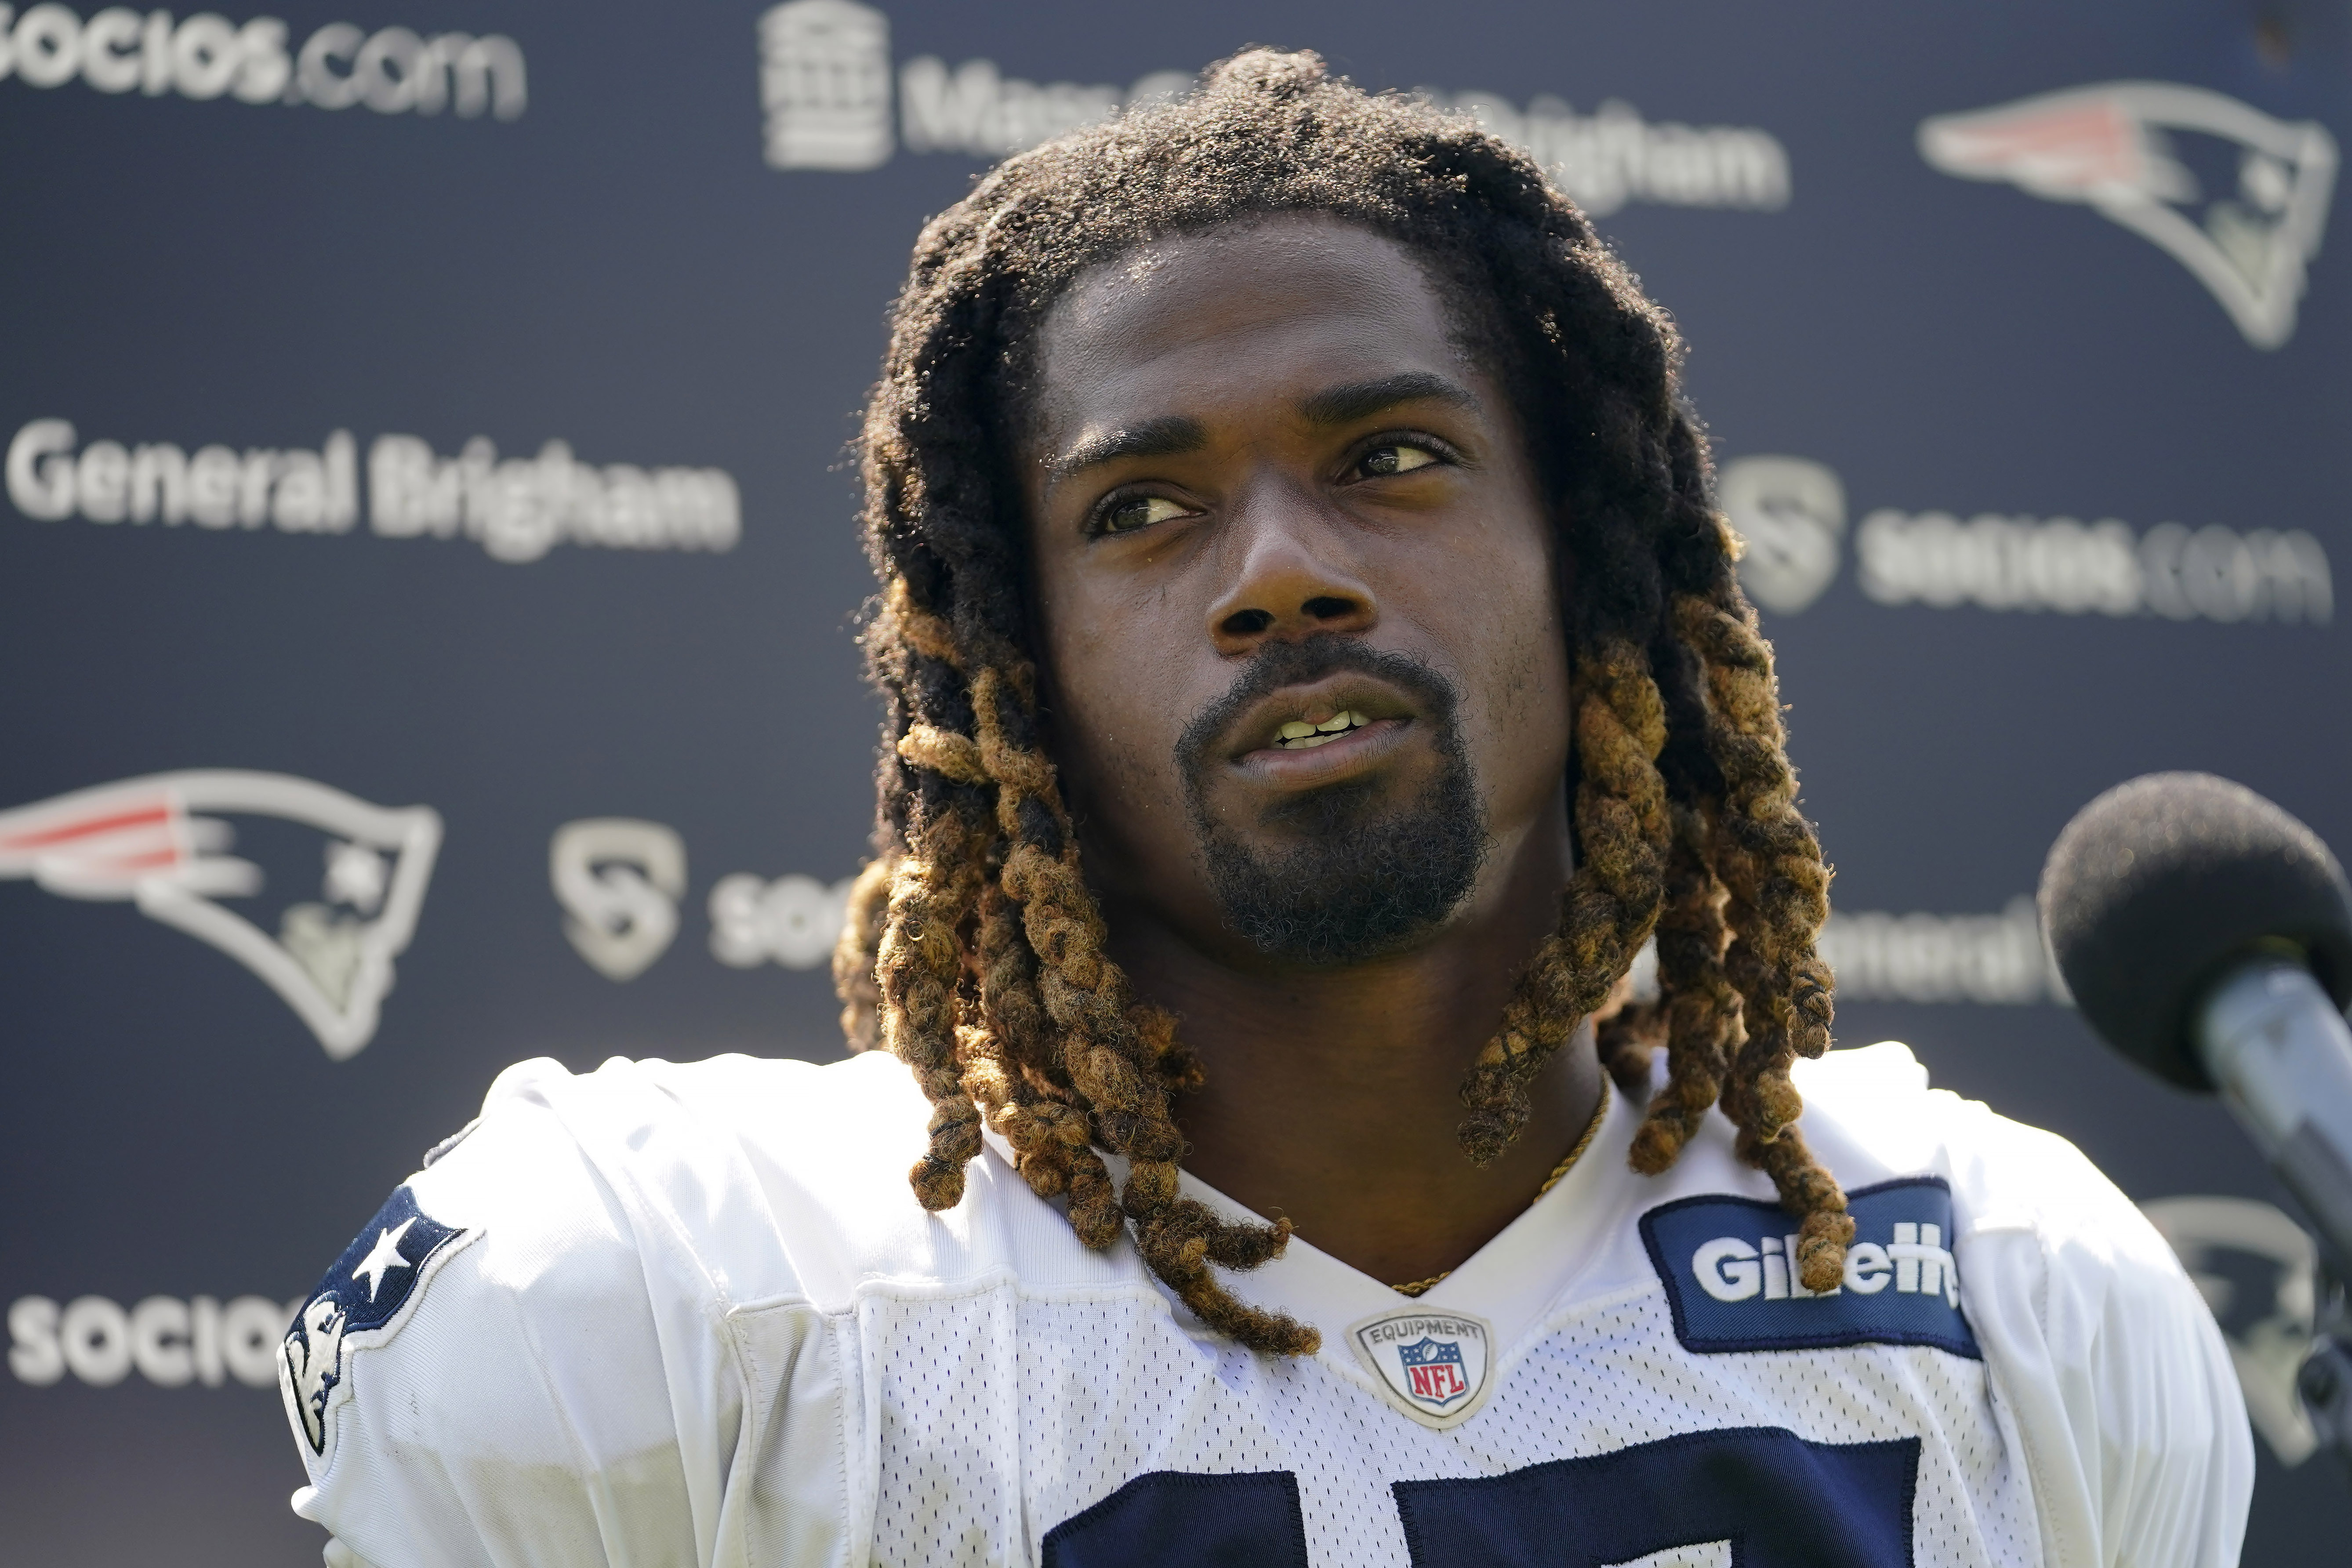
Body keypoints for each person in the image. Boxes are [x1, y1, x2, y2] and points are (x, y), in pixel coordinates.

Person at [276, 51, 2250, 1567]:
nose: (1282, 570)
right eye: (1141, 509)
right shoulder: (671, 1290)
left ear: (1592, 569)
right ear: (1015, 671)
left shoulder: (2013, 1287)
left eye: (1389, 456)